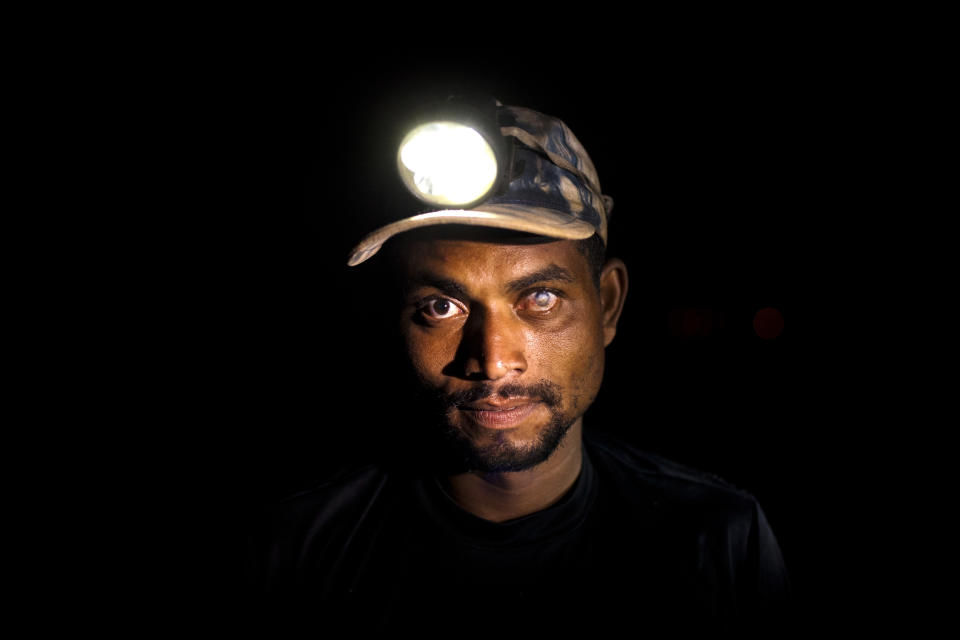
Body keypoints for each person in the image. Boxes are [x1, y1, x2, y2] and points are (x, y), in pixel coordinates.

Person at [244, 97, 792, 634]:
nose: (493, 360)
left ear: (607, 304)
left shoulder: (715, 538)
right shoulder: (294, 547)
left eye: (541, 298)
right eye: (441, 307)